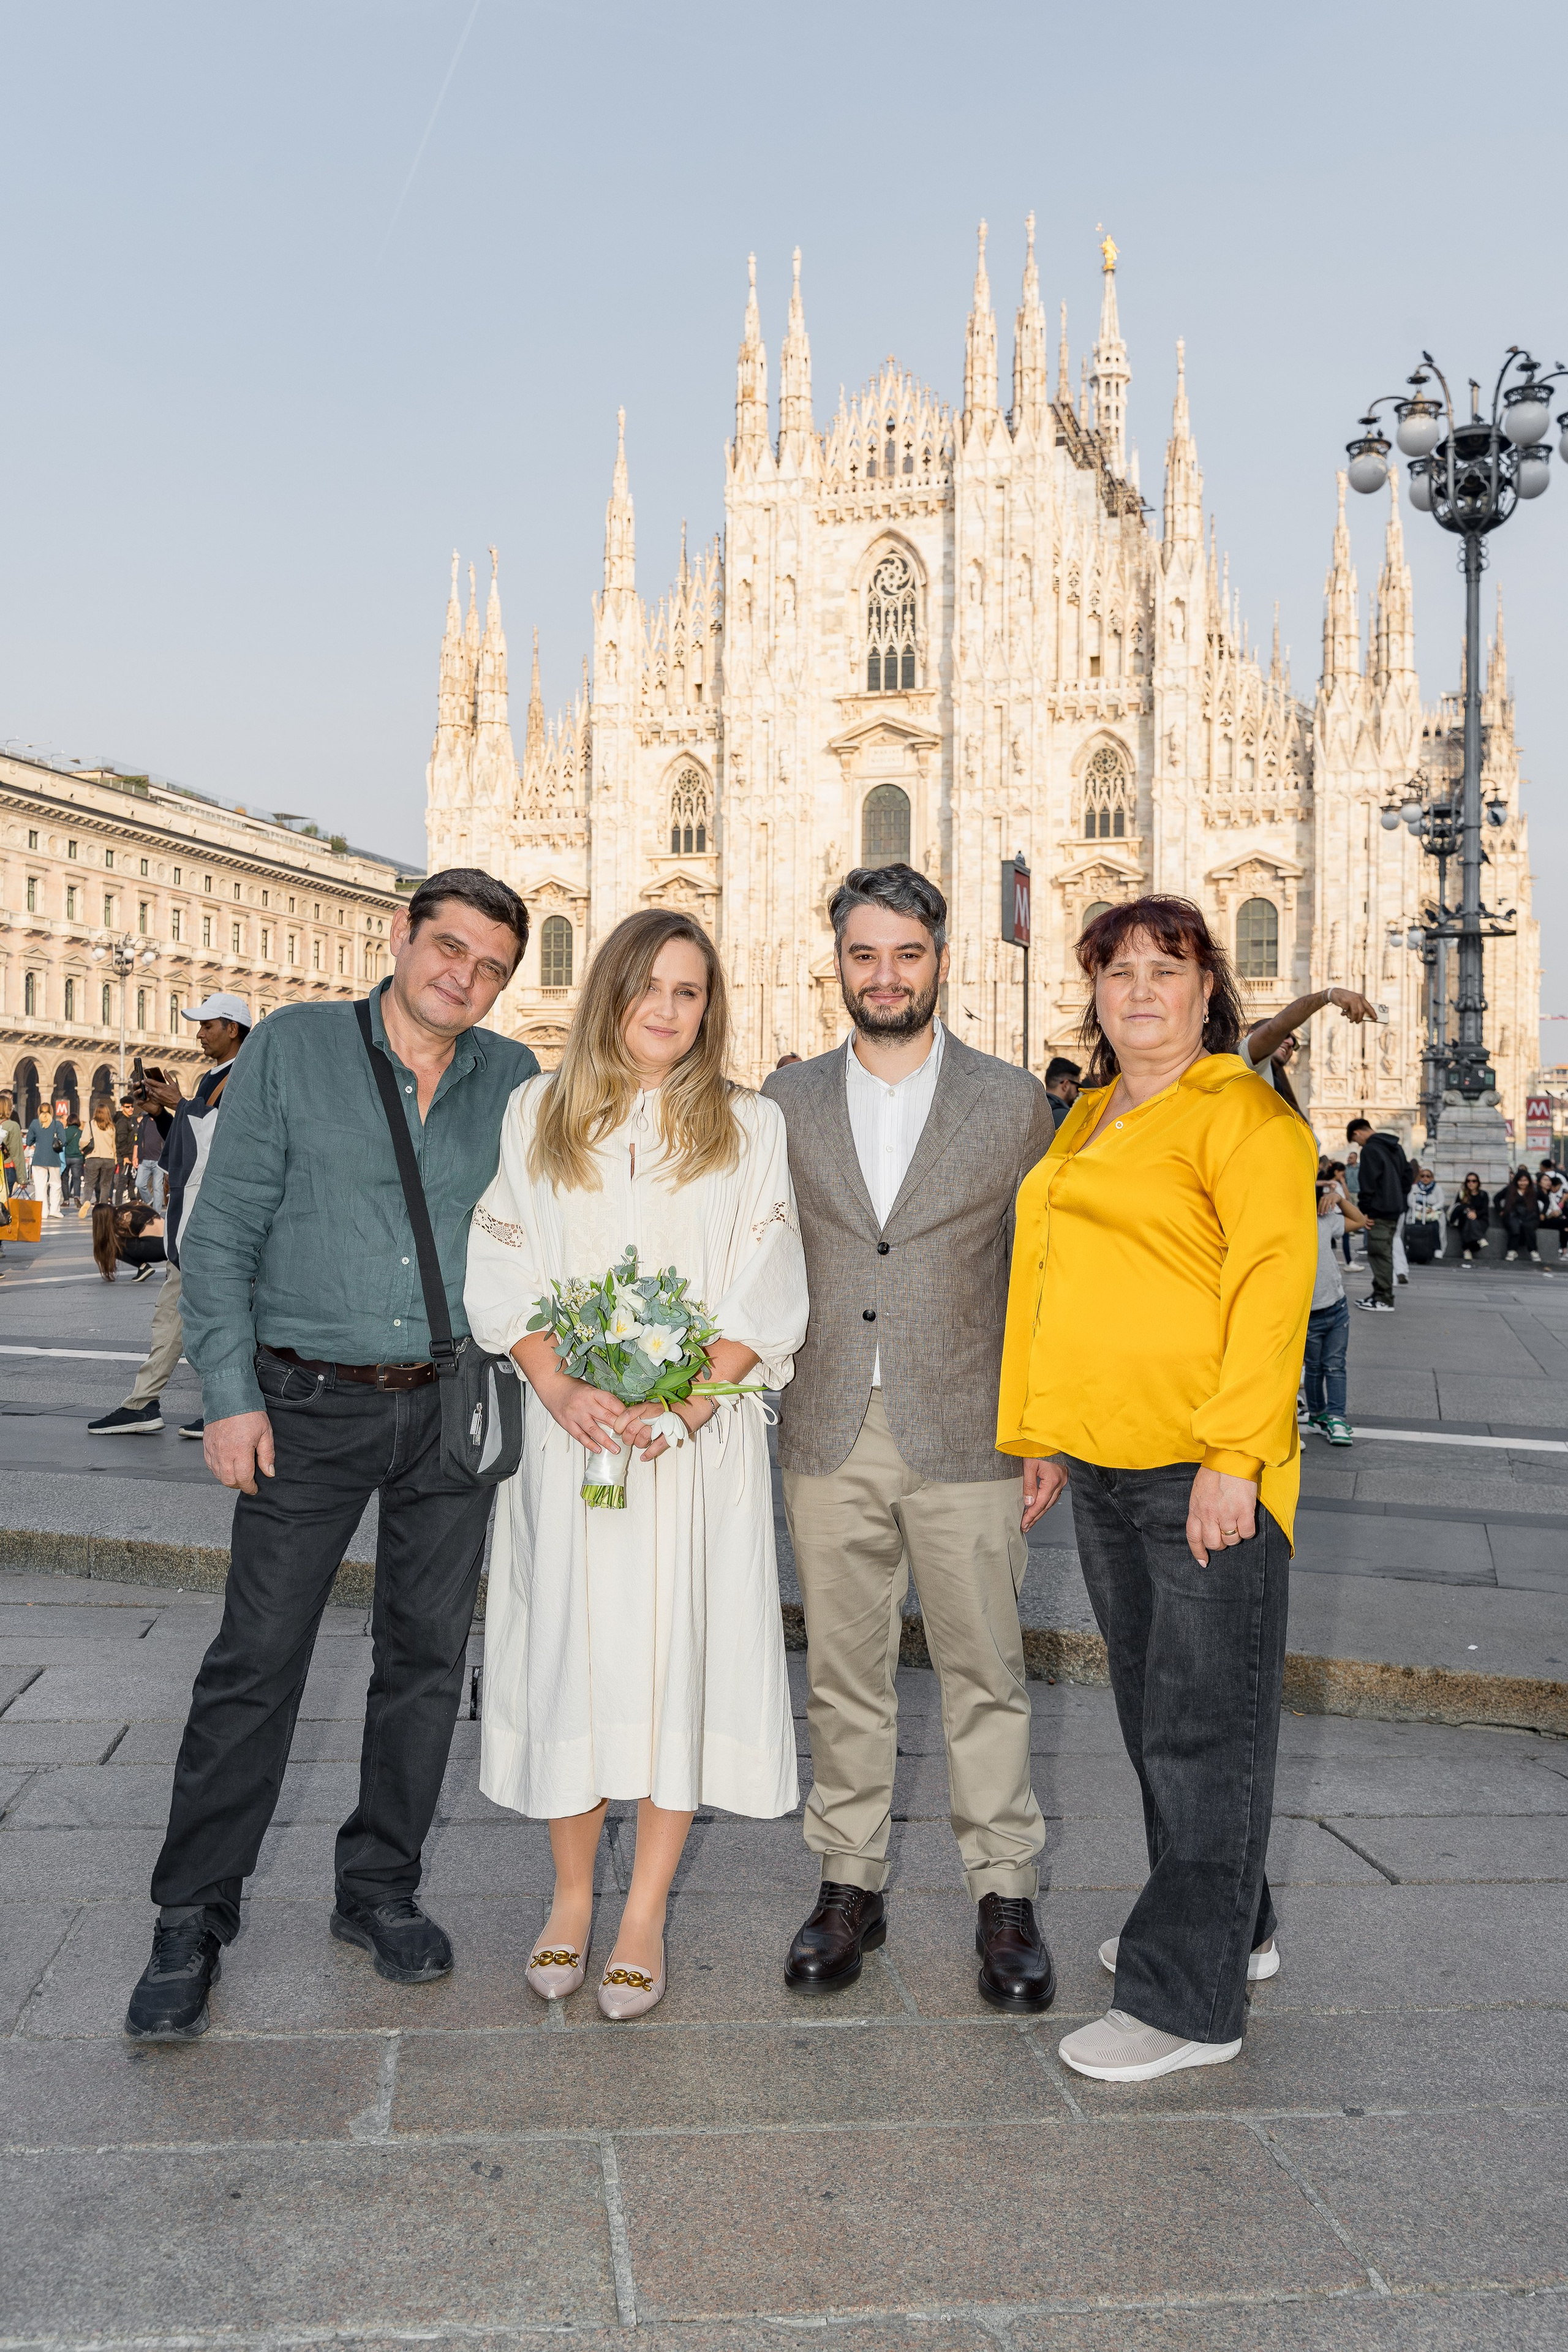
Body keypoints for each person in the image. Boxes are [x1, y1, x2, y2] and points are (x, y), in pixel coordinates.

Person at [123, 870, 537, 2040]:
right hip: (305, 1403)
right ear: (402, 936)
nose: (464, 976)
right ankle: (192, 1914)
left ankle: (379, 1887)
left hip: (450, 1406)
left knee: (422, 1657)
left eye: (491, 965)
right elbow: (224, 1233)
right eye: (448, 948)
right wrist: (232, 1396)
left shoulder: (512, 1080)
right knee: (256, 1659)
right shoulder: (297, 1048)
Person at [466, 910, 809, 2021]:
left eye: (691, 992)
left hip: (686, 1451)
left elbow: (769, 1282)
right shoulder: (538, 1110)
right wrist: (560, 1386)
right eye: (650, 986)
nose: (668, 1009)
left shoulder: (748, 1125)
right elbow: (502, 1257)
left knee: (674, 1656)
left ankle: (644, 1912)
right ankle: (570, 1898)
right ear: (610, 990)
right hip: (571, 1445)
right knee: (574, 1650)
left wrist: (692, 1406)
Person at [997, 894, 1316, 2084]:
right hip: (1100, 1457)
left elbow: (1273, 1286)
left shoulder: (1240, 1114)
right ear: (1092, 992)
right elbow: (1047, 1274)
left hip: (1199, 1466)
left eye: (1163, 971)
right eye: (1116, 970)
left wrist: (1232, 1459)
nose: (1138, 990)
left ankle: (1187, 2003)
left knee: (1201, 1723)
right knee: (1158, 1708)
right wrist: (1036, 1432)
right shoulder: (1085, 1115)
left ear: (1204, 992)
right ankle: (1234, 1920)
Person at [763, 864, 1059, 2015]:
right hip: (828, 1420)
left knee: (988, 1670)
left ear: (943, 960)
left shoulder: (1008, 1099)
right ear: (837, 962)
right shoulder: (783, 1100)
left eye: (907, 955)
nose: (885, 975)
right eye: (864, 955)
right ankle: (851, 1883)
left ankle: (1005, 1894)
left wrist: (1045, 1427)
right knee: (844, 1675)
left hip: (972, 1427)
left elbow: (1039, 1276)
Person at [87, 1004, 244, 1442]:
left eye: (208, 1027)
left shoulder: (246, 1075)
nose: (200, 1035)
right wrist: (161, 1113)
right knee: (175, 1314)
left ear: (233, 1029)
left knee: (207, 1318)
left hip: (216, 1221)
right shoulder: (213, 1079)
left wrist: (183, 1103)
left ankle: (222, 1408)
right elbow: (190, 1141)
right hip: (194, 1219)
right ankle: (145, 1404)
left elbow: (231, 1139)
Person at [1238, 986, 1379, 1118]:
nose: (1291, 1043)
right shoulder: (1246, 1057)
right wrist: (1328, 995)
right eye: (1284, 1036)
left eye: (1296, 1043)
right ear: (1252, 1035)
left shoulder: (1279, 1085)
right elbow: (1275, 1027)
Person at [1304, 1171, 1366, 1444]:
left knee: (1335, 1365)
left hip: (1336, 1306)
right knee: (1314, 1368)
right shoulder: (1281, 1220)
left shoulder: (1322, 1219)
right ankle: (1318, 1415)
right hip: (1307, 1312)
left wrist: (1338, 1198)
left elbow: (1360, 1221)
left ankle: (1337, 1418)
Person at [1347, 1117, 1411, 1313]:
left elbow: (1368, 1182)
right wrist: (1398, 1199)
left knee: (1379, 1253)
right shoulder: (1396, 1147)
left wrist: (1367, 1209)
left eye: (1355, 1141)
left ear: (1357, 1133)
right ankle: (1378, 1295)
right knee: (1384, 1251)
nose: (1358, 1145)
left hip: (1379, 1211)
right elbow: (1408, 1176)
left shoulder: (1370, 1150)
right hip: (1395, 1209)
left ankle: (1384, 1298)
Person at [91, 1200, 165, 1283]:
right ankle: (173, 1268)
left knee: (113, 1245)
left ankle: (143, 1267)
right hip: (170, 1247)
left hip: (157, 1249)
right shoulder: (130, 1207)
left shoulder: (120, 1219)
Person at [25, 1098, 70, 1220]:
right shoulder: (58, 1124)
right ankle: (55, 1210)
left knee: (40, 1186)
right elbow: (64, 1141)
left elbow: (29, 1141)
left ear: (39, 1111)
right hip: (54, 1158)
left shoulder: (35, 1123)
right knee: (55, 1184)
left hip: (39, 1158)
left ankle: (42, 1212)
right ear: (52, 1111)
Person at [80, 1101, 121, 1214]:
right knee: (106, 1185)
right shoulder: (112, 1127)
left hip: (93, 1157)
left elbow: (84, 1141)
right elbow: (114, 1145)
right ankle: (103, 1207)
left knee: (89, 1183)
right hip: (109, 1159)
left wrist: (82, 1148)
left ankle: (86, 1201)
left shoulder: (91, 1124)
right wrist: (115, 1159)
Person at [0, 1089, 24, 1278]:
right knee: (2, 1208)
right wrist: (22, 1179)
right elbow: (17, 1154)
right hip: (5, 1171)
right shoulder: (13, 1126)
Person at [1498, 1169, 1541, 1266]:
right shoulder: (1510, 1189)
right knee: (1515, 1228)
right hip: (1513, 1216)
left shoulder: (1533, 1191)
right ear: (1517, 1181)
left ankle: (1533, 1251)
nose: (1523, 1183)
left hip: (1530, 1217)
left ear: (1529, 1181)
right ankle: (1512, 1250)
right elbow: (1497, 1198)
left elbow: (1544, 1201)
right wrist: (1500, 1210)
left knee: (1529, 1227)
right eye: (1521, 1180)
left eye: (1525, 1180)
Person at [1449, 1171, 1490, 1267]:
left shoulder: (1484, 1194)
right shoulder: (1462, 1194)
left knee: (1470, 1221)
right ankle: (1480, 1238)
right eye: (1469, 1181)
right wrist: (1467, 1210)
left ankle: (1466, 1250)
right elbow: (1457, 1208)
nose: (1471, 1183)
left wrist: (1475, 1214)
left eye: (1474, 1181)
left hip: (1481, 1220)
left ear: (1478, 1183)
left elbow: (1485, 1210)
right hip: (1465, 1219)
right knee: (1468, 1220)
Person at [1044, 1055, 1082, 1129]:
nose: (1078, 1093)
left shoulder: (1033, 1109)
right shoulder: (1066, 1118)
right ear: (1066, 1085)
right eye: (1078, 1088)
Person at [60, 1112, 84, 1210]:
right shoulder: (80, 1132)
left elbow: (62, 1143)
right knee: (77, 1179)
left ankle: (66, 1201)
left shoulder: (65, 1132)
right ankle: (77, 1197)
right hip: (78, 1158)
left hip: (66, 1158)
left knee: (65, 1179)